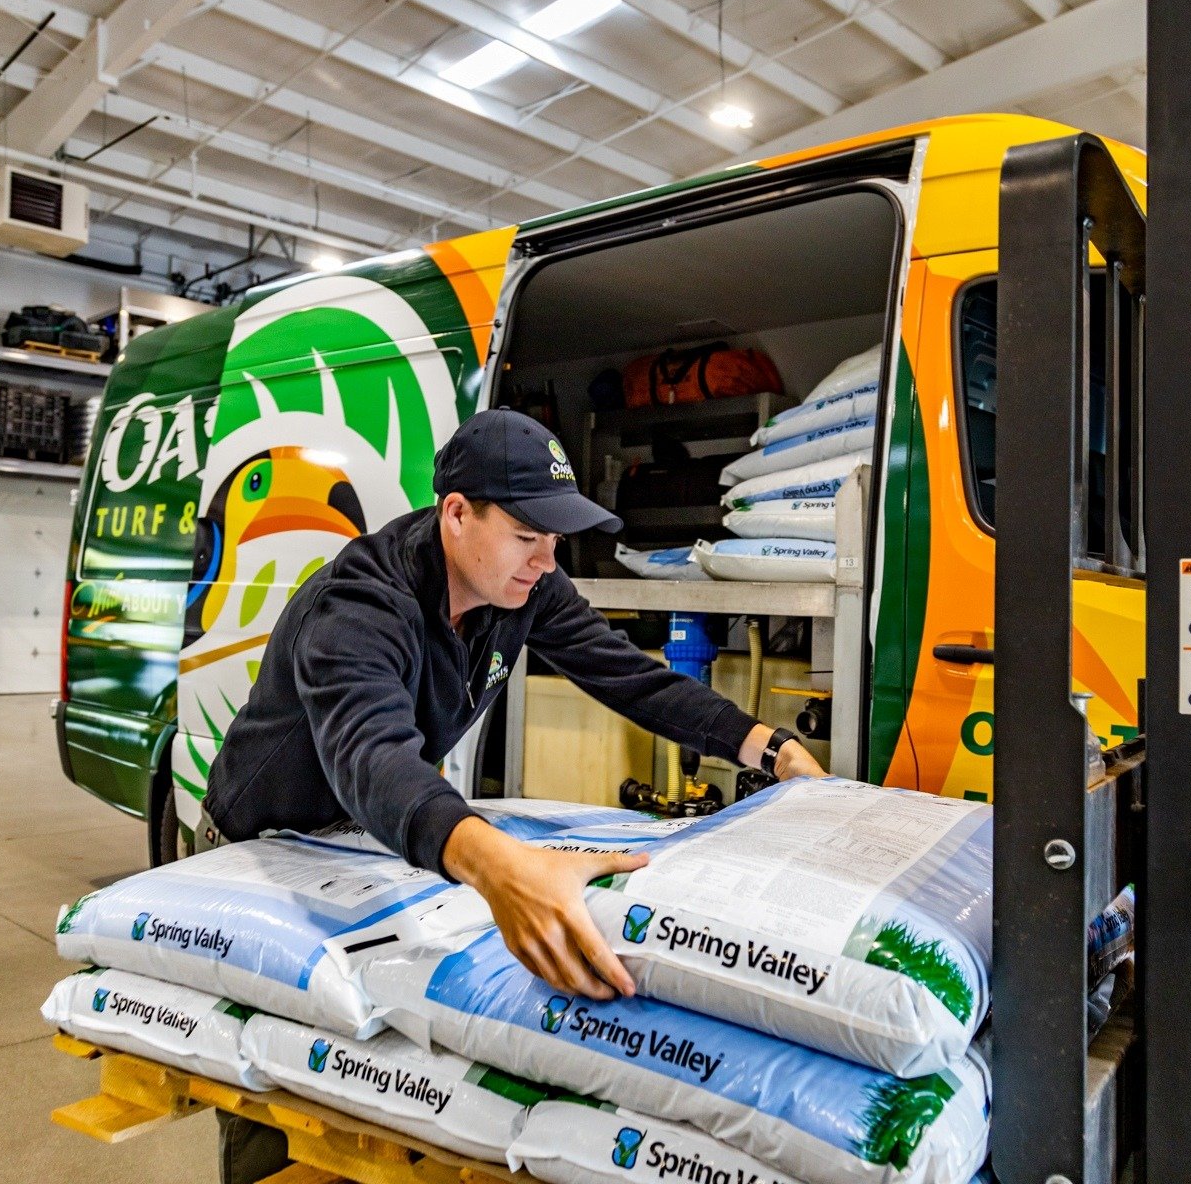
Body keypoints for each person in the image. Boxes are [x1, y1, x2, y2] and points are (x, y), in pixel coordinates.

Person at [201, 408, 824, 1182]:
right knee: (273, 1087)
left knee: (364, 1068)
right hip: (264, 844)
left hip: (367, 842)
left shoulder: (525, 589)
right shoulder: (361, 604)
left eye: (555, 539)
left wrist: (769, 746)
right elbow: (369, 754)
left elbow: (626, 674)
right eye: (529, 537)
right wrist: (497, 864)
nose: (546, 559)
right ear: (457, 513)